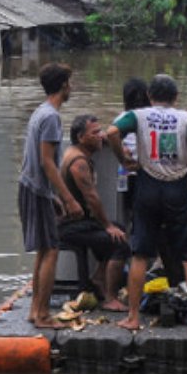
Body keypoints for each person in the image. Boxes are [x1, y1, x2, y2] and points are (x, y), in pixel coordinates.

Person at [106, 74, 187, 331]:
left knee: (141, 254)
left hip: (148, 186)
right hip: (178, 186)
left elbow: (111, 132)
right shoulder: (186, 118)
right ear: (175, 97)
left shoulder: (139, 116)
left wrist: (123, 159)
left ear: (150, 96)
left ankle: (133, 317)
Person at [18, 62, 82, 329]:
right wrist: (68, 198)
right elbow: (47, 162)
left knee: (44, 250)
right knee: (52, 251)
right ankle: (43, 315)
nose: (72, 86)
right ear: (63, 86)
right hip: (35, 189)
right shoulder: (52, 117)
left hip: (32, 187)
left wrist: (52, 195)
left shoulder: (41, 112)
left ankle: (36, 311)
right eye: (70, 81)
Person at [58, 114, 128, 312]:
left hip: (77, 222)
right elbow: (92, 198)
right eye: (95, 133)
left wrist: (105, 137)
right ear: (81, 138)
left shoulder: (74, 151)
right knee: (120, 242)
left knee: (119, 229)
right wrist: (107, 225)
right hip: (70, 227)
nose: (100, 136)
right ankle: (110, 298)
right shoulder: (79, 163)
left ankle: (98, 278)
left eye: (100, 131)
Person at [115, 78, 151, 224]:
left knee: (132, 214)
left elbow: (113, 136)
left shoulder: (122, 118)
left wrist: (123, 156)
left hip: (128, 174)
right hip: (150, 173)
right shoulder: (153, 117)